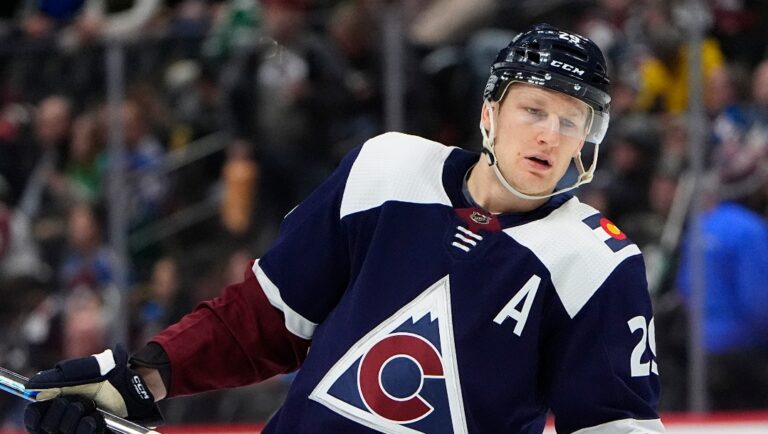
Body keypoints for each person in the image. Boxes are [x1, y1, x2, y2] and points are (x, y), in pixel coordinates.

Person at [23, 24, 664, 434]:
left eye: (574, 120)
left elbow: (616, 428)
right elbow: (265, 320)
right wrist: (144, 377)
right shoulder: (387, 171)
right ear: (490, 114)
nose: (552, 134)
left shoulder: (598, 261)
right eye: (535, 108)